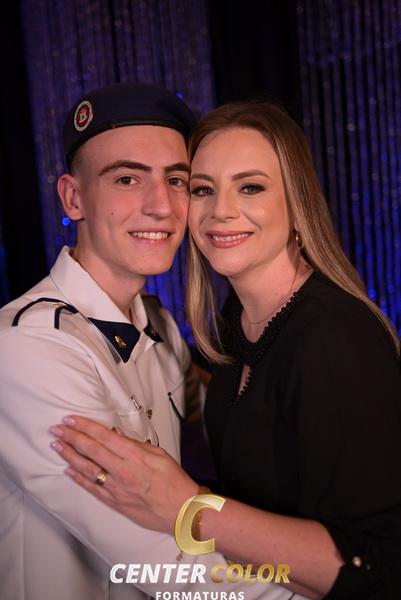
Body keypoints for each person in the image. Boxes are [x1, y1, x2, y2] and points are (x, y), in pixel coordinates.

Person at [50, 100, 401, 600]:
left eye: (250, 187)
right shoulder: (233, 330)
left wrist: (190, 508)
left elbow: (380, 568)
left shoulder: (335, 336)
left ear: (297, 203)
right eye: (202, 189)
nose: (221, 211)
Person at [0, 87, 295, 600]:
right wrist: (324, 584)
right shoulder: (29, 348)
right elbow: (164, 561)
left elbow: (226, 463)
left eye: (177, 181)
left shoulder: (158, 325)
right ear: (73, 198)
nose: (161, 207)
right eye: (127, 179)